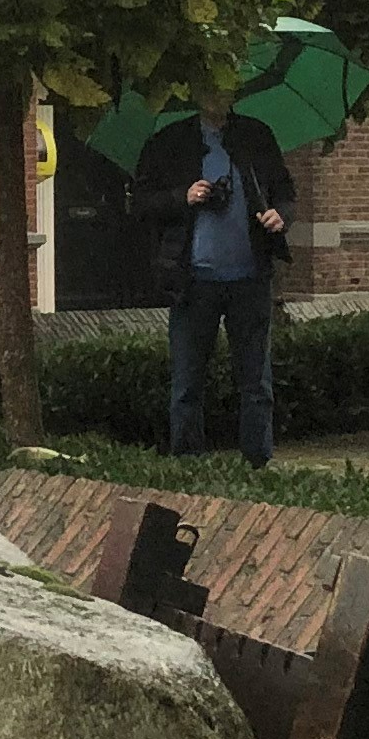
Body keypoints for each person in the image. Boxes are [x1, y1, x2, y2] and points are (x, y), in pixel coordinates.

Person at [130, 87, 294, 467]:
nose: (217, 96)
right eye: (209, 86)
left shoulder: (256, 136)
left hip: (250, 278)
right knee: (187, 383)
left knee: (256, 382)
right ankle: (189, 465)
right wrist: (181, 196)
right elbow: (140, 203)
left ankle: (257, 464)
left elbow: (285, 189)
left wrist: (280, 215)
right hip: (193, 282)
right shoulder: (171, 141)